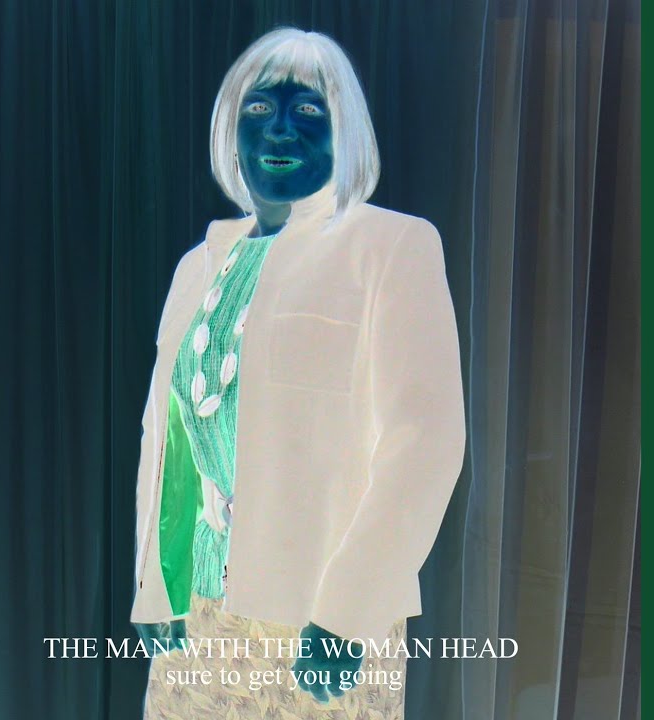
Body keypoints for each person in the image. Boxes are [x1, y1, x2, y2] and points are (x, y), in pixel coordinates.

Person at [131, 27, 465, 719]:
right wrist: (156, 588)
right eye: (259, 108)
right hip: (199, 616)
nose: (279, 128)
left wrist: (348, 614)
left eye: (309, 109)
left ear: (345, 134)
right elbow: (168, 443)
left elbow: (425, 444)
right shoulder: (198, 266)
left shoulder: (392, 247)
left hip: (322, 620)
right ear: (233, 131)